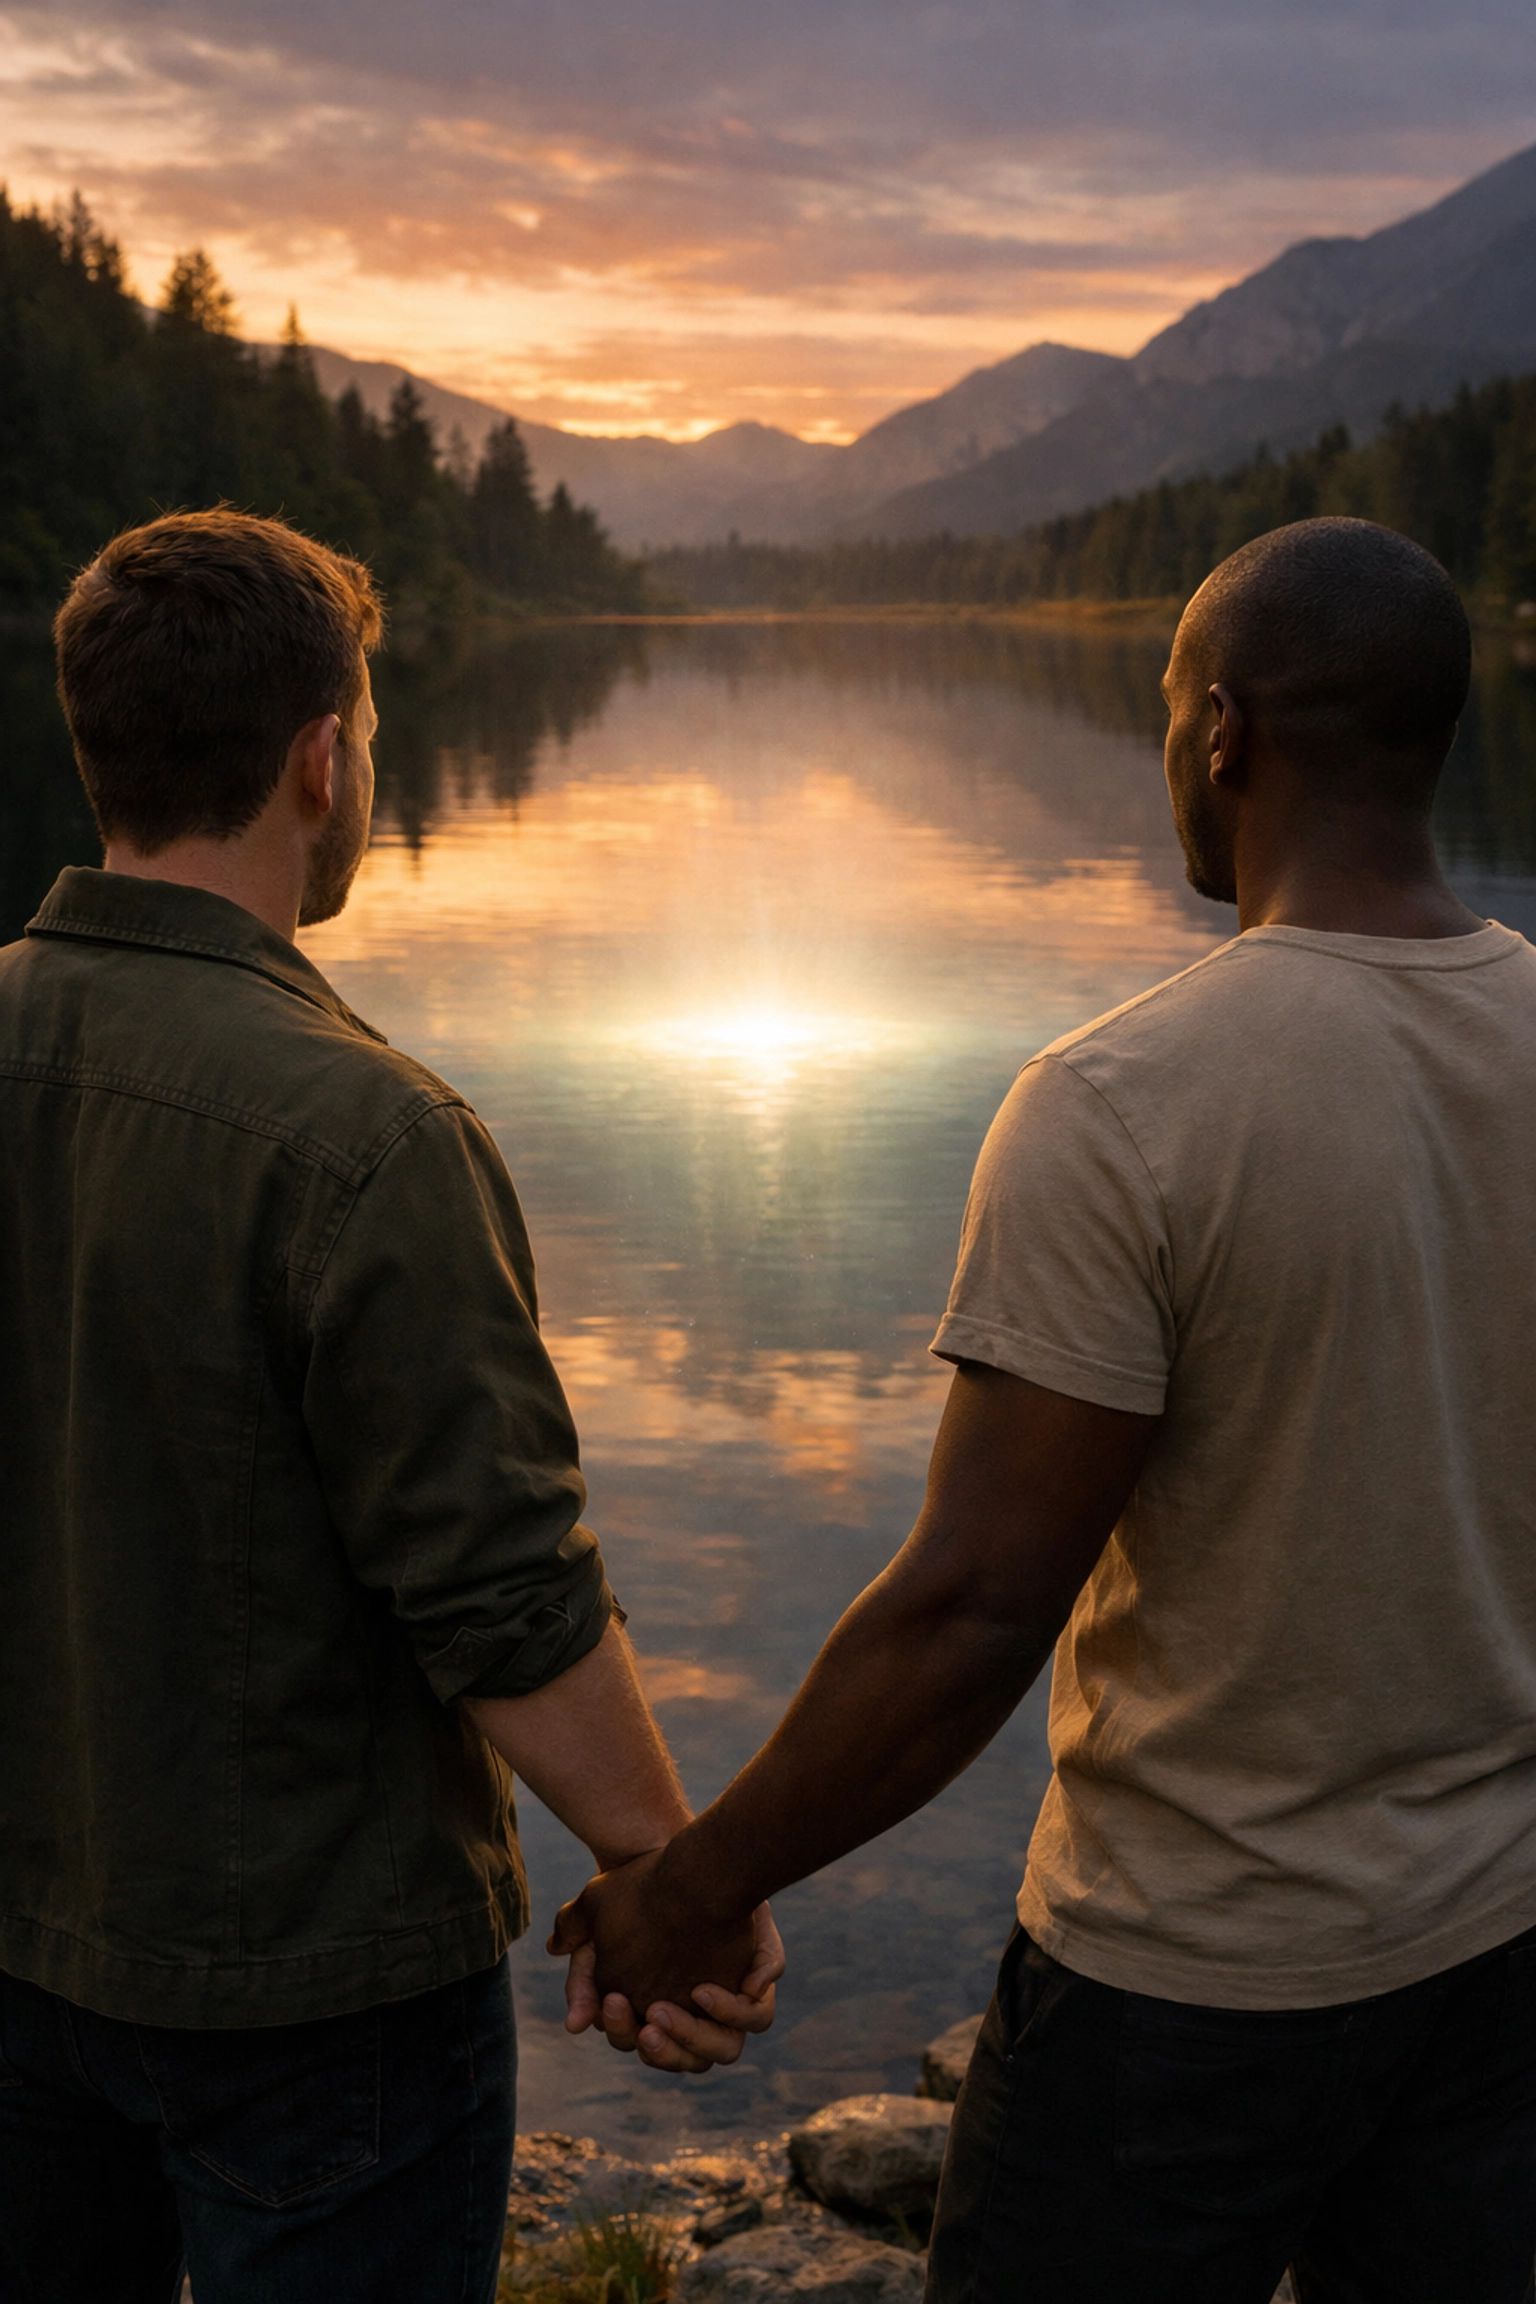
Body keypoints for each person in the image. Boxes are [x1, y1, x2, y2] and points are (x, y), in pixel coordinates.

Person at [558, 519, 1536, 2303]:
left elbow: (974, 1611)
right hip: (1497, 1952)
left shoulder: (1124, 1105)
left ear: (1223, 733)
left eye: (1168, 707)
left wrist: (695, 1890)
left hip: (1183, 1993)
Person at [0, 509, 780, 2304]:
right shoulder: (368, 1135)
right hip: (317, 1999)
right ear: (322, 761)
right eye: (366, 729)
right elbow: (502, 1592)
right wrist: (666, 1876)